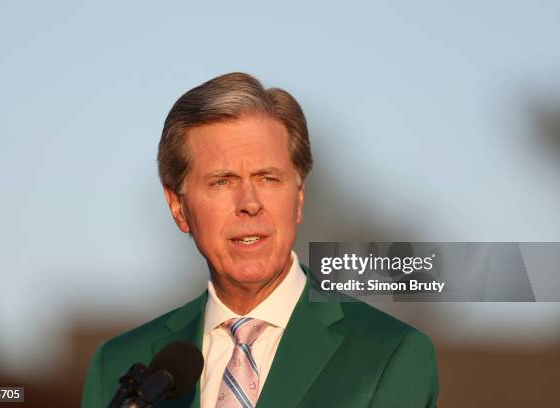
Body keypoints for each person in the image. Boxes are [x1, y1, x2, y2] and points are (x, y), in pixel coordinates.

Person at [81, 72, 439, 408]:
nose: (250, 204)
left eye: (268, 178)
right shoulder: (116, 365)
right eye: (222, 181)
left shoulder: (391, 354)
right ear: (178, 206)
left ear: (298, 197)